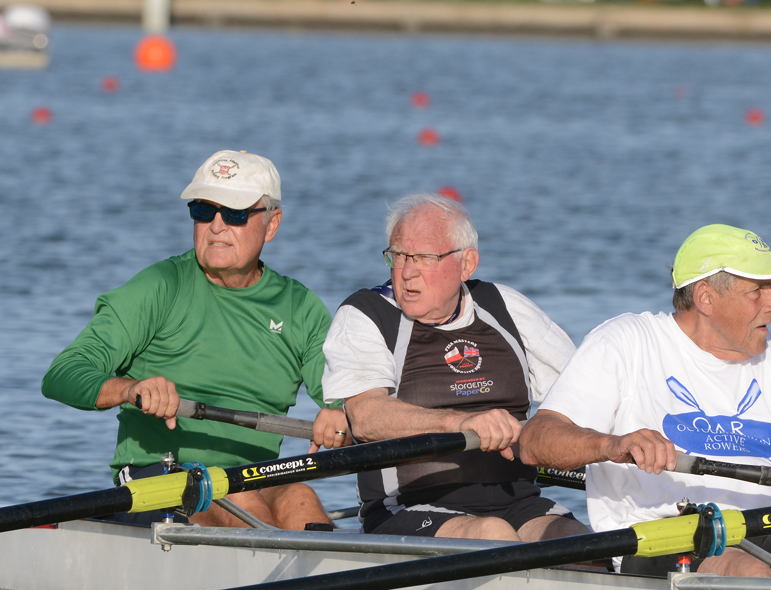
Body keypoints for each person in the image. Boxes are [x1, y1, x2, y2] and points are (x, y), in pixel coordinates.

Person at [519, 223, 771, 578]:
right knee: (745, 570)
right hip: (665, 534)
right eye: (757, 292)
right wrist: (614, 444)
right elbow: (536, 441)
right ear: (705, 297)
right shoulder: (627, 342)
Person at [42, 149, 345, 529]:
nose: (216, 226)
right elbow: (63, 374)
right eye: (203, 211)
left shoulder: (299, 307)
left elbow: (350, 399)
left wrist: (341, 412)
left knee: (301, 497)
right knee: (238, 497)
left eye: (234, 214)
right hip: (158, 479)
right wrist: (129, 389)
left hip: (256, 478)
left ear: (271, 224)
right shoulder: (160, 287)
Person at [322, 193, 584, 542]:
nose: (407, 271)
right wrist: (460, 423)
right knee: (493, 534)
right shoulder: (366, 315)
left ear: (466, 264)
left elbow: (582, 396)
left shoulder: (506, 308)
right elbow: (366, 417)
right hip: (406, 509)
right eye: (398, 255)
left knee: (581, 545)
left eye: (425, 258)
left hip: (518, 502)